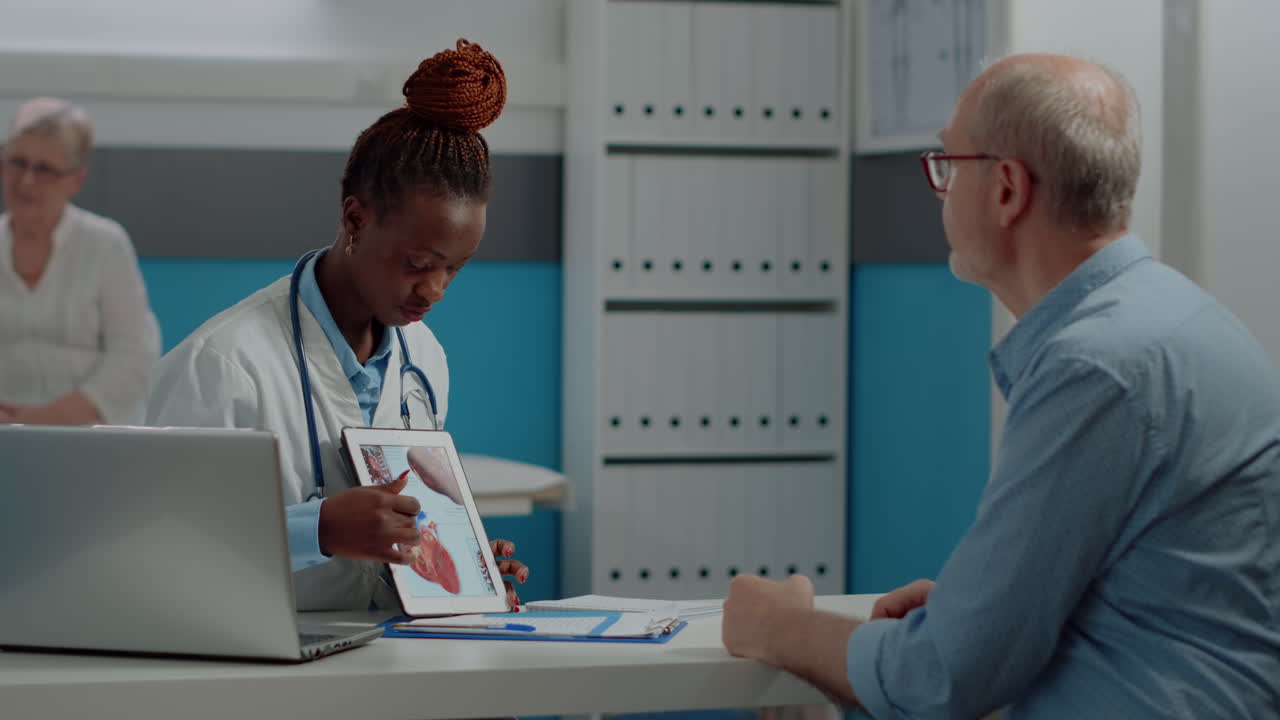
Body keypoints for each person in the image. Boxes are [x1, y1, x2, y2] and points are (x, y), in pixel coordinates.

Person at [721, 53, 1280, 718]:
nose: (941, 189)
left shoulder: (1093, 367)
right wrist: (975, 610)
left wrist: (779, 626)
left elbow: (941, 677)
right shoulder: (1180, 317)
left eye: (946, 166)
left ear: (1007, 188)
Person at [145, 40, 529, 612]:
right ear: (356, 219)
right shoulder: (223, 366)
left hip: (382, 661)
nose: (436, 290)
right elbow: (153, 551)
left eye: (456, 268)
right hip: (261, 676)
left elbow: (394, 541)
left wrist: (452, 562)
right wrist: (315, 531)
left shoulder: (424, 359)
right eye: (419, 264)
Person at [0, 97, 160, 425]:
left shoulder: (106, 245)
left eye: (44, 169)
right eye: (18, 162)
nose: (27, 180)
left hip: (91, 433)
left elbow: (133, 354)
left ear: (75, 179)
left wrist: (51, 417)